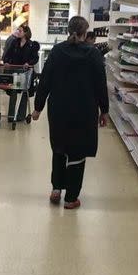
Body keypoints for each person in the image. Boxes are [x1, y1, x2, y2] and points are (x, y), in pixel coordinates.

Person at [32, 16, 109, 210]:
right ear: (85, 32)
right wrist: (104, 111)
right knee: (78, 151)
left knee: (59, 147)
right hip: (84, 110)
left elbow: (45, 80)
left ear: (68, 30)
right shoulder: (93, 54)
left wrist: (38, 107)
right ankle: (71, 198)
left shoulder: (58, 51)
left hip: (59, 108)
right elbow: (101, 85)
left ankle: (56, 189)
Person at [2, 24, 40, 123]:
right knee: (13, 91)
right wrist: (6, 61)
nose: (17, 32)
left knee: (24, 92)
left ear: (26, 33)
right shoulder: (14, 42)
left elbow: (35, 58)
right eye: (18, 30)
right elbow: (7, 54)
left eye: (20, 31)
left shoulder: (32, 45)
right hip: (14, 71)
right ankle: (11, 115)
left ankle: (21, 116)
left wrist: (29, 63)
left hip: (26, 73)